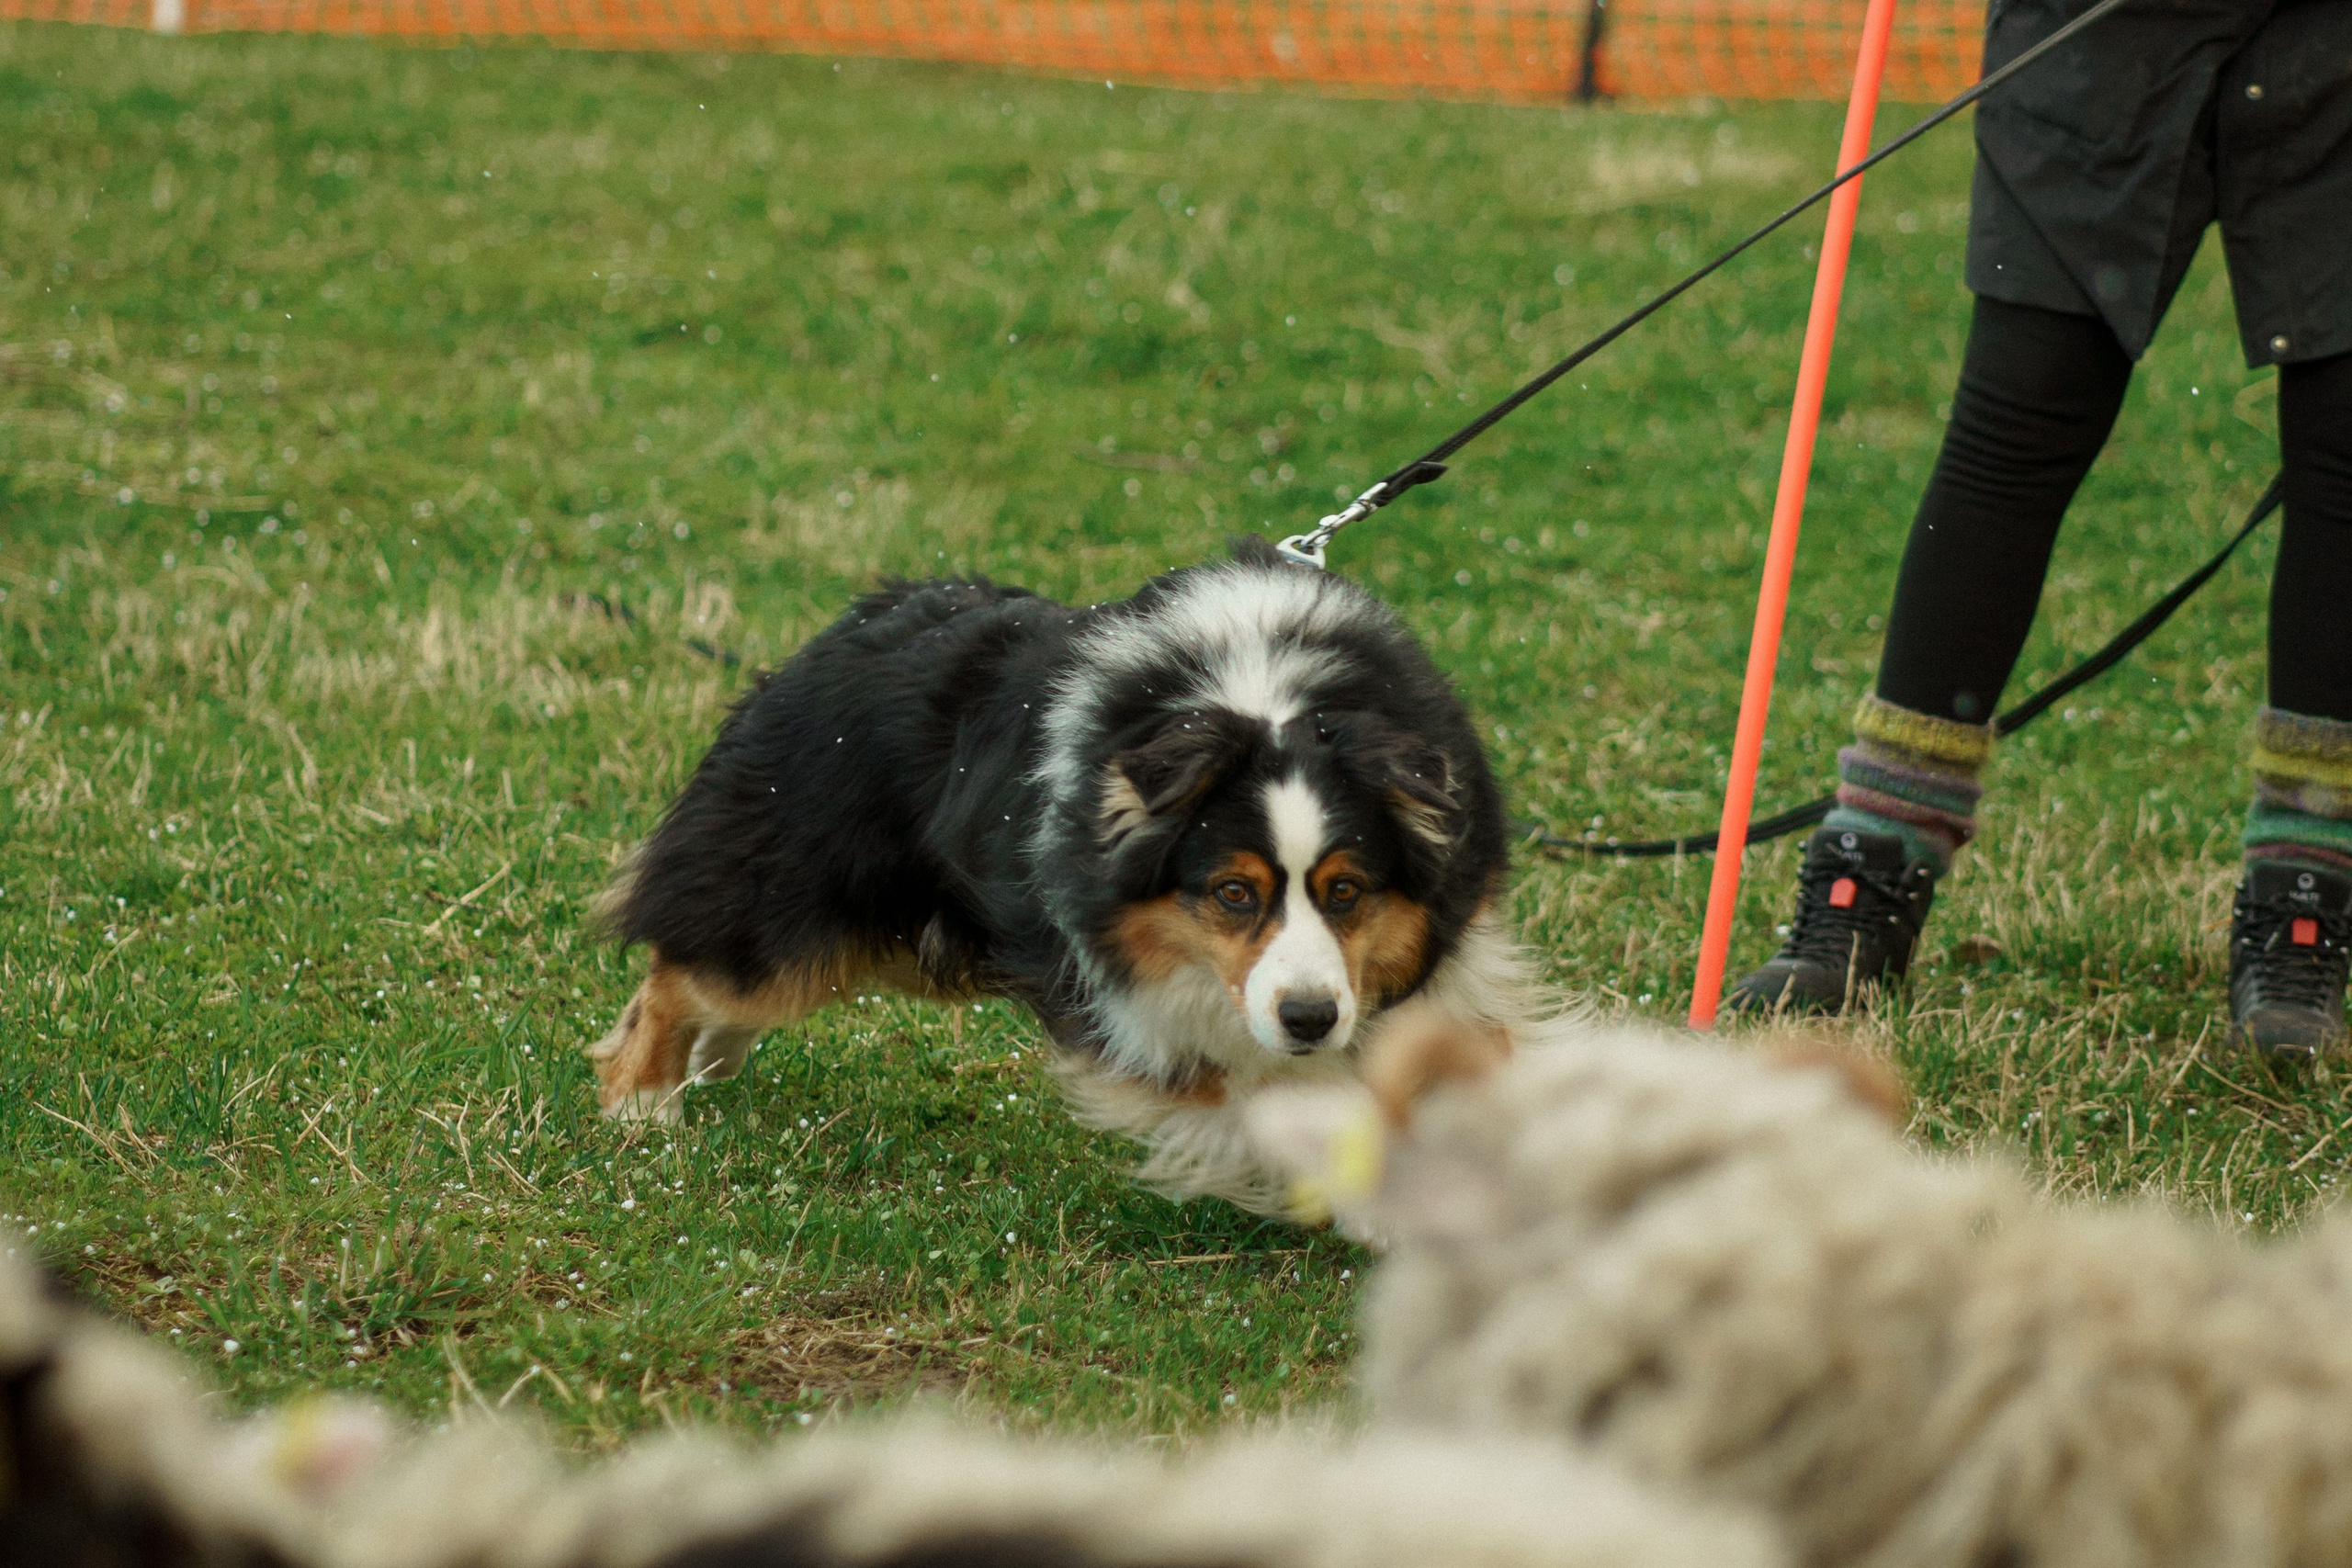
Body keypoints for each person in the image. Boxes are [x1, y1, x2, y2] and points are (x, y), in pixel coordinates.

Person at [1726, 0, 2352, 1054]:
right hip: (2102, 32)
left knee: (2345, 448)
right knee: (2020, 416)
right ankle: (1871, 865)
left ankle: (2305, 893)